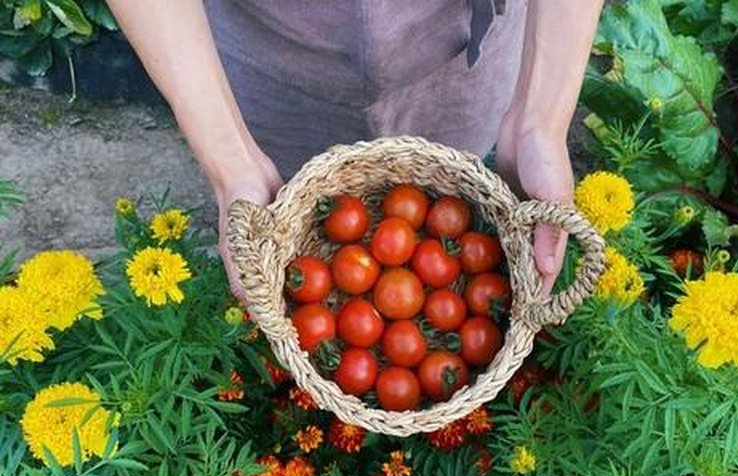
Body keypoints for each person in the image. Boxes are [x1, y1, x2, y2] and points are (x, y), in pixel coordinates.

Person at [105, 0, 604, 301]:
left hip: (462, 52)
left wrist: (540, 117)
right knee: (290, 236)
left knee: (449, 202)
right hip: (269, 49)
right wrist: (231, 161)